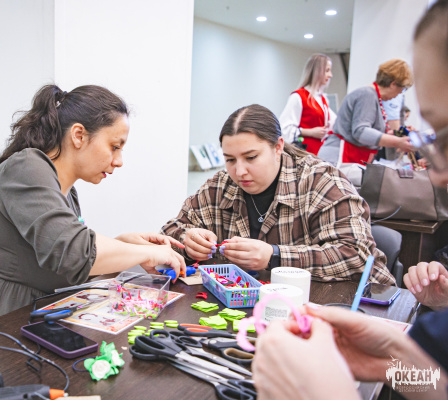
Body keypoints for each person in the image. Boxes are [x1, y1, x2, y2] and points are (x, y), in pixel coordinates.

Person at [252, 2, 448, 398]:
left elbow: (355, 253)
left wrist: (330, 392)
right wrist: (394, 364)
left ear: (278, 149)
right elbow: (436, 385)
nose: (438, 175)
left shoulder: (327, 184)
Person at [0, 84, 186, 330]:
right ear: (78, 135)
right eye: (114, 146)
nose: (119, 161)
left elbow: (65, 260)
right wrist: (146, 253)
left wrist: (122, 244)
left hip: (26, 320)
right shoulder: (26, 168)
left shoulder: (67, 193)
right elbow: (74, 253)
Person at [161, 104, 395, 284]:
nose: (239, 171)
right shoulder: (220, 186)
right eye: (230, 160)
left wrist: (275, 256)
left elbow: (357, 256)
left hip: (347, 307)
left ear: (278, 147)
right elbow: (167, 235)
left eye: (251, 157)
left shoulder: (322, 182)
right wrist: (187, 240)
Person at [318, 59, 415, 166]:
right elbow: (361, 131)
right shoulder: (368, 95)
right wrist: (397, 142)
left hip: (348, 159)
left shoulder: (373, 96)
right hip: (338, 158)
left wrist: (395, 134)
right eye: (402, 89)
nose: (400, 93)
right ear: (393, 84)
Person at [279, 53, 336, 155]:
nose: (330, 75)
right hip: (303, 154)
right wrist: (310, 132)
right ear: (317, 71)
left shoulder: (323, 99)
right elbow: (285, 129)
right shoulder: (298, 97)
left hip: (318, 154)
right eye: (327, 70)